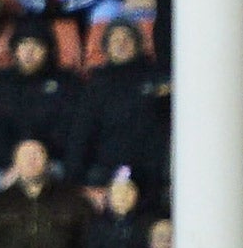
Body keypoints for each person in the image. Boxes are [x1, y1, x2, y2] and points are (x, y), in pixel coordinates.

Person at [65, 20, 168, 190]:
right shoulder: (96, 84)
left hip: (150, 172)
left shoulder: (156, 79)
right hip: (105, 171)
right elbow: (81, 132)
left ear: (138, 44)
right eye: (115, 40)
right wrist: (74, 180)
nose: (121, 44)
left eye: (127, 39)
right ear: (106, 47)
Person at [0, 19, 74, 169]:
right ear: (15, 48)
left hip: (50, 166)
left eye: (37, 45)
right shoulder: (2, 82)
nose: (29, 51)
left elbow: (68, 133)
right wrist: (13, 166)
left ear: (48, 50)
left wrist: (34, 164)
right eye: (24, 43)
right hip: (8, 167)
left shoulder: (67, 83)